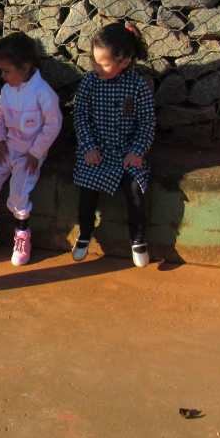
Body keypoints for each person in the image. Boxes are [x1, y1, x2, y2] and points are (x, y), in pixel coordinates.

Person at [0, 32, 62, 266]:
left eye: (6, 71)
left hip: (29, 154)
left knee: (19, 193)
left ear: (25, 67)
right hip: (7, 148)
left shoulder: (42, 92)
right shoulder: (8, 90)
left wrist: (36, 153)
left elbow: (53, 123)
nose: (1, 75)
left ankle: (22, 235)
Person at [71, 22, 155, 268]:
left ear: (124, 63)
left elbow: (147, 122)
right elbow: (80, 117)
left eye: (104, 64)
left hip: (127, 152)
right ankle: (85, 231)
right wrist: (88, 147)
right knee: (87, 187)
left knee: (135, 189)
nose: (97, 68)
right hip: (96, 150)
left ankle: (138, 238)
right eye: (94, 62)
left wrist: (137, 151)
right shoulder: (90, 82)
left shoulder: (137, 86)